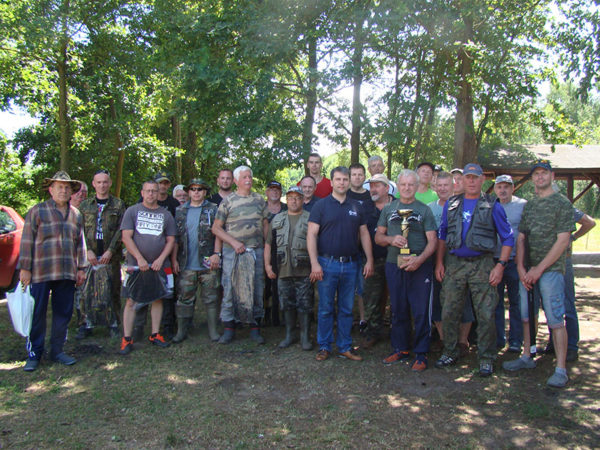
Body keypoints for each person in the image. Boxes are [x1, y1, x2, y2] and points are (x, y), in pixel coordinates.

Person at [434, 163, 514, 377]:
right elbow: (442, 235)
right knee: (449, 310)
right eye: (466, 177)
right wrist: (439, 263)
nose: (470, 181)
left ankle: (486, 357)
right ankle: (450, 351)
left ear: (482, 180)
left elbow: (508, 238)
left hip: (483, 265)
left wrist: (500, 265)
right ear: (459, 181)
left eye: (474, 177)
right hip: (454, 264)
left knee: (486, 313)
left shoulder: (492, 205)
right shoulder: (451, 204)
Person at [502, 160, 575, 387]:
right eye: (536, 174)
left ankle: (560, 369)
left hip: (550, 270)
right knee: (526, 316)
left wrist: (538, 269)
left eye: (544, 173)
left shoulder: (562, 204)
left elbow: (563, 240)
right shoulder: (531, 205)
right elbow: (521, 237)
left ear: (552, 176)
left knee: (555, 318)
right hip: (528, 271)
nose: (540, 177)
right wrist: (522, 268)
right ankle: (527, 355)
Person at [18, 171, 87, 371]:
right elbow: (27, 240)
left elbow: (80, 243)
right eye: (59, 187)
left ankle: (57, 350)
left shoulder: (76, 214)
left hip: (66, 272)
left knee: (63, 313)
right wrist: (25, 268)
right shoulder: (37, 211)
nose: (63, 191)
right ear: (51, 189)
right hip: (41, 271)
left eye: (67, 188)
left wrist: (81, 268)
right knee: (37, 312)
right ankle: (34, 353)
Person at [307, 166, 374, 362]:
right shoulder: (321, 206)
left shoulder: (356, 206)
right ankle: (325, 346)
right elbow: (311, 235)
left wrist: (369, 260)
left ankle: (345, 346)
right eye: (338, 179)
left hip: (352, 264)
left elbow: (364, 234)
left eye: (345, 179)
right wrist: (314, 263)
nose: (342, 183)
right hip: (327, 263)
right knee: (326, 307)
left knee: (346, 308)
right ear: (332, 181)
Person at [376, 170, 438, 371]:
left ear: (417, 185)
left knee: (420, 310)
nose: (407, 188)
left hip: (420, 266)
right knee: (398, 308)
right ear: (398, 186)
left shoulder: (424, 210)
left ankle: (421, 353)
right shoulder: (388, 209)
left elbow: (433, 241)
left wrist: (419, 260)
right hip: (394, 264)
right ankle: (400, 348)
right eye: (403, 184)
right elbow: (378, 237)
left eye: (411, 184)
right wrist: (391, 240)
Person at [212, 165, 268, 344]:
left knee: (257, 289)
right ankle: (229, 328)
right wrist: (234, 242)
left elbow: (266, 226)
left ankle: (255, 328)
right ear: (236, 181)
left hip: (256, 253)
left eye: (250, 176)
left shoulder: (260, 200)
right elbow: (216, 228)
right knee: (229, 288)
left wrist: (268, 246)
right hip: (232, 254)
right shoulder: (228, 201)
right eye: (244, 177)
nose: (248, 180)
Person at [119, 180, 176, 355]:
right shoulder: (132, 211)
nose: (151, 194)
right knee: (131, 300)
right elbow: (126, 238)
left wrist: (161, 259)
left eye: (154, 191)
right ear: (142, 193)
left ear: (158, 193)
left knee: (158, 299)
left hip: (160, 265)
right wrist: (139, 258)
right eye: (148, 191)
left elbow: (171, 240)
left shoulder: (165, 215)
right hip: (136, 266)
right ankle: (127, 339)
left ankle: (155, 334)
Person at [428, 171, 474, 352]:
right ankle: (443, 338)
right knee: (438, 300)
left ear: (453, 186)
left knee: (464, 300)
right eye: (439, 185)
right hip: (435, 260)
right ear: (435, 187)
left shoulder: (464, 205)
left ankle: (463, 341)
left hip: (460, 260)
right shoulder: (430, 208)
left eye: (446, 185)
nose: (442, 188)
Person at [77, 169, 126, 339]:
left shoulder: (118, 205)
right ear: (93, 184)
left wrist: (111, 250)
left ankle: (113, 324)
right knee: (85, 292)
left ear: (110, 183)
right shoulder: (84, 206)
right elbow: (80, 230)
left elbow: (122, 230)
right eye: (99, 182)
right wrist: (87, 250)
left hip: (110, 255)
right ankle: (85, 324)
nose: (102, 185)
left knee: (112, 289)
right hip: (89, 254)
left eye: (105, 182)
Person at [172, 178, 222, 343]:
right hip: (186, 262)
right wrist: (174, 259)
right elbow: (175, 238)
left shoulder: (214, 209)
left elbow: (219, 233)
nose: (196, 192)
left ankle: (213, 331)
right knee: (184, 298)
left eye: (199, 189)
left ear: (205, 192)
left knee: (211, 297)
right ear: (188, 191)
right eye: (193, 189)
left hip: (208, 262)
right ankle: (181, 331)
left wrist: (217, 253)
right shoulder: (180, 210)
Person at [265, 186, 313, 350]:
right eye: (291, 197)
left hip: (304, 270)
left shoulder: (310, 218)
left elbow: (317, 245)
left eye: (298, 197)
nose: (294, 200)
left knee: (305, 304)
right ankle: (289, 334)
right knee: (286, 303)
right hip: (283, 270)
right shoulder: (277, 219)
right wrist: (267, 266)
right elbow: (268, 245)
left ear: (302, 200)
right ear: (287, 199)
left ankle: (305, 336)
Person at [545, 207, 596, 361]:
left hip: (563, 261)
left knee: (567, 304)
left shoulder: (565, 207)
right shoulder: (539, 207)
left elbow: (590, 222)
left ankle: (572, 346)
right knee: (549, 304)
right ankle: (554, 343)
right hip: (546, 261)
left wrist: (573, 238)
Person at [492, 175, 526, 353]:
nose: (503, 190)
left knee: (516, 302)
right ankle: (498, 338)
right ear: (495, 189)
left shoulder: (522, 205)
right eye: (499, 187)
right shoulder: (490, 205)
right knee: (495, 302)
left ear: (513, 188)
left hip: (515, 261)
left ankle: (516, 340)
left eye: (506, 186)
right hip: (494, 260)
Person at [360, 174, 393, 349]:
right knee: (372, 297)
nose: (373, 189)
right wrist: (368, 260)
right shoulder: (364, 208)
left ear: (387, 188)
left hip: (396, 259)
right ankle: (373, 332)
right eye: (371, 185)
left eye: (377, 185)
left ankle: (397, 332)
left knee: (398, 297)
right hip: (373, 259)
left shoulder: (398, 206)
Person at [264, 180, 287, 326]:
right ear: (266, 192)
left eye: (277, 189)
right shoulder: (261, 209)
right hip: (264, 251)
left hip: (283, 252)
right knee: (265, 286)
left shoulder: (286, 208)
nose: (274, 192)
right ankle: (266, 315)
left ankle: (282, 316)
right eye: (271, 189)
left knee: (282, 285)